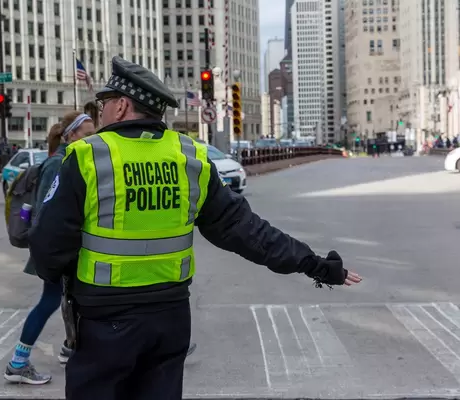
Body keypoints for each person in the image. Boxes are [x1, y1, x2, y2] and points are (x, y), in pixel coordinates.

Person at [29, 56, 363, 399]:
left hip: (104, 319)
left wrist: (67, 276)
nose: (100, 110)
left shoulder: (86, 156)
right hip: (170, 318)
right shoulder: (190, 156)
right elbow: (247, 231)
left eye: (104, 102)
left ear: (122, 106)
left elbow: (47, 248)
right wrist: (316, 265)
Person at [3, 111, 96, 385]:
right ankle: (18, 363)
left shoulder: (73, 159)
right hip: (56, 249)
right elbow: (47, 210)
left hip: (63, 248)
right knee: (50, 302)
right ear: (70, 136)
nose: (94, 139)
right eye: (88, 134)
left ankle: (70, 347)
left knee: (73, 299)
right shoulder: (59, 164)